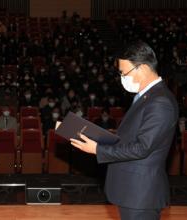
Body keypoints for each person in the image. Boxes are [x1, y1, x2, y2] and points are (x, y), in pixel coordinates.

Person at [70, 41, 178, 220]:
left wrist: (97, 149)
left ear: (142, 68)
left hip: (141, 195)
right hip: (133, 192)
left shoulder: (160, 102)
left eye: (123, 72)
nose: (122, 77)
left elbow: (143, 147)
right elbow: (134, 136)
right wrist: (103, 136)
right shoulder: (147, 97)